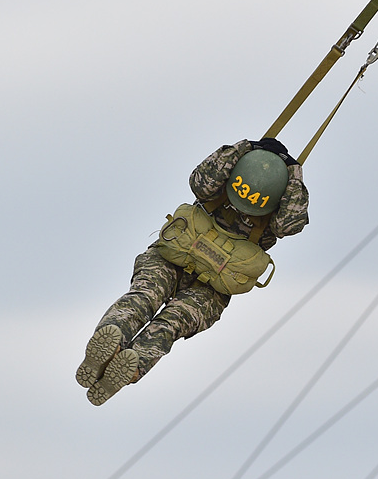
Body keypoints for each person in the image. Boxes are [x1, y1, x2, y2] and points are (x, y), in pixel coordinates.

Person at [76, 137, 309, 405]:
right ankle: (132, 360)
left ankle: (116, 342)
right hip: (203, 279)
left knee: (143, 298)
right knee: (169, 323)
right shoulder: (260, 204)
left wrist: (258, 156)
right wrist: (283, 168)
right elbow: (291, 222)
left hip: (184, 265)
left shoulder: (238, 193)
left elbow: (202, 180)